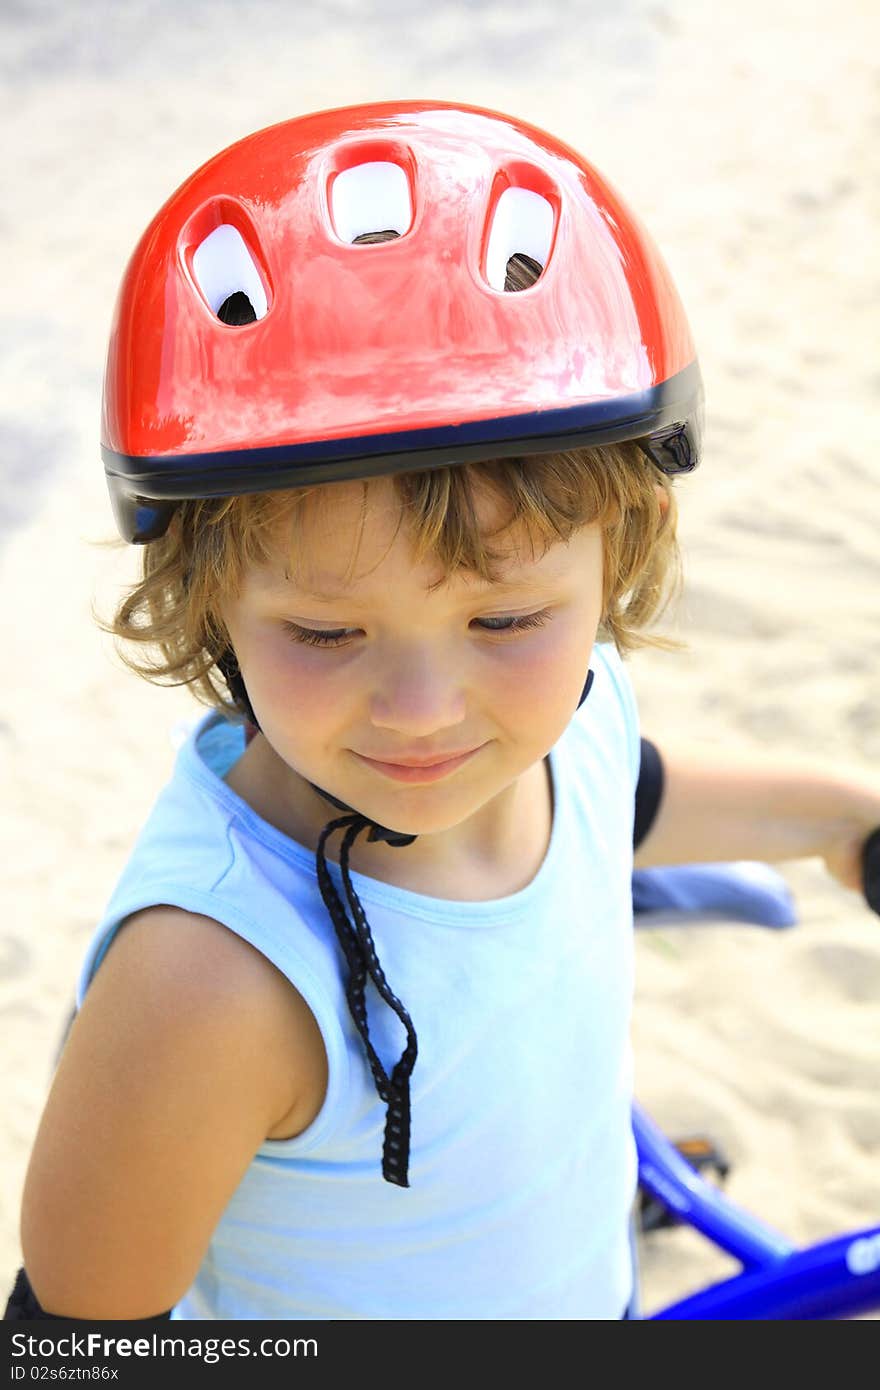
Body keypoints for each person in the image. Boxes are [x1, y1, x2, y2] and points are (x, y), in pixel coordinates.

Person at [6, 101, 879, 1323]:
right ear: (204, 603)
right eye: (324, 633)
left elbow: (626, 794)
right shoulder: (214, 985)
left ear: (611, 565)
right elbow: (75, 1342)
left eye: (506, 621)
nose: (423, 712)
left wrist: (843, 821)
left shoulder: (566, 724)